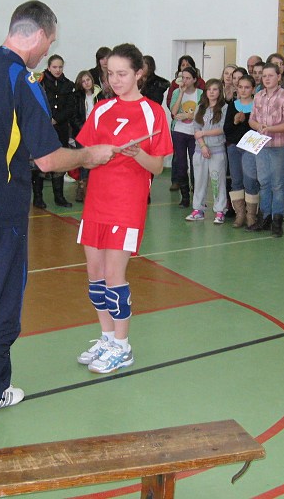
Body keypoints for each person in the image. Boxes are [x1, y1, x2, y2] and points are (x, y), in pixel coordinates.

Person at [0, 1, 115, 414]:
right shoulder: (22, 80)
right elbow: (47, 159)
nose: (48, 51)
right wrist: (89, 155)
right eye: (50, 42)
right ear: (38, 35)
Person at [75, 43, 173, 374]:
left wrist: (137, 154)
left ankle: (122, 345)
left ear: (138, 73)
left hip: (126, 205)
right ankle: (106, 337)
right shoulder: (101, 109)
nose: (115, 80)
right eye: (110, 74)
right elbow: (86, 156)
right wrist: (96, 155)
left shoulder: (153, 112)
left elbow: (157, 167)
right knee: (95, 275)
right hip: (96, 202)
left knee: (114, 275)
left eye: (122, 74)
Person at [248, 63, 284, 236]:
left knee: (277, 184)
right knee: (264, 182)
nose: (267, 79)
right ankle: (265, 217)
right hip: (262, 145)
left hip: (280, 146)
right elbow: (252, 120)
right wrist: (258, 126)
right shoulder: (258, 96)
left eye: (270, 75)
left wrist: (269, 129)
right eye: (264, 76)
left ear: (278, 77)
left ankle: (277, 219)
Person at [34, 54, 75, 208]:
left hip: (60, 129)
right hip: (42, 129)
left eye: (60, 67)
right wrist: (46, 119)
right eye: (55, 67)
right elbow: (34, 103)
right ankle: (38, 197)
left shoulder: (68, 84)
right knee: (41, 163)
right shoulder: (39, 81)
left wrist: (56, 119)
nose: (58, 70)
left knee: (59, 163)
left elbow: (71, 107)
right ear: (49, 67)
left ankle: (59, 197)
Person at [186, 79, 228, 224]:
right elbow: (196, 128)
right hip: (200, 151)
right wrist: (203, 145)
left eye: (215, 89)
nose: (211, 92)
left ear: (220, 92)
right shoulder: (200, 107)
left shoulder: (224, 108)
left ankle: (220, 210)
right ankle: (198, 209)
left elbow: (222, 128)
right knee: (199, 181)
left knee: (217, 181)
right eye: (209, 89)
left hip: (217, 150)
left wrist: (204, 133)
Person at [223, 74, 259, 228]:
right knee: (236, 180)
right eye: (240, 87)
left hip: (250, 149)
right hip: (234, 148)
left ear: (253, 89)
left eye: (247, 87)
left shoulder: (257, 106)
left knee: (250, 181)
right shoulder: (233, 105)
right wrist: (235, 121)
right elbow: (227, 129)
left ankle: (251, 215)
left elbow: (258, 129)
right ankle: (240, 214)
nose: (243, 90)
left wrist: (246, 122)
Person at [169, 66, 203, 207]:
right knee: (181, 164)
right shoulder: (177, 92)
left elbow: (203, 114)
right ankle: (185, 197)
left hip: (195, 133)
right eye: (183, 77)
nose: (185, 81)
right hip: (179, 132)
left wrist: (188, 115)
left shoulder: (201, 93)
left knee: (196, 164)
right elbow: (173, 112)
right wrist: (181, 94)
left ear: (194, 79)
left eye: (188, 78)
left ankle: (197, 195)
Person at [71, 70, 101, 203]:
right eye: (83, 81)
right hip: (82, 133)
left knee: (97, 161)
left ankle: (95, 190)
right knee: (84, 161)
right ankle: (82, 189)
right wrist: (85, 129)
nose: (86, 83)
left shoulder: (100, 95)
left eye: (88, 80)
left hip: (98, 133)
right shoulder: (76, 97)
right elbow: (74, 116)